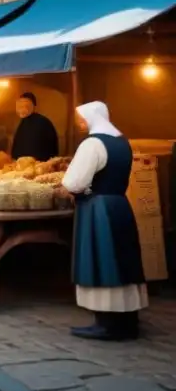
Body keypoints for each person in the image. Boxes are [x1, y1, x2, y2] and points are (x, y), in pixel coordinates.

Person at [64, 102, 147, 341]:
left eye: (81, 118)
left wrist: (71, 188)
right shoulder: (122, 141)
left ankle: (107, 323)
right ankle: (128, 321)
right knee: (123, 261)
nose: (80, 123)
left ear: (91, 117)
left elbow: (74, 182)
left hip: (97, 208)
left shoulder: (92, 144)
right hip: (120, 205)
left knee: (102, 261)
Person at [11, 92, 59, 161]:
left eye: (26, 105)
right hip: (22, 165)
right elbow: (17, 144)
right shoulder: (23, 123)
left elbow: (51, 147)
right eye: (20, 105)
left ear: (33, 105)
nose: (23, 108)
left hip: (39, 164)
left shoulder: (43, 122)